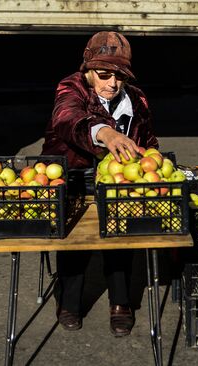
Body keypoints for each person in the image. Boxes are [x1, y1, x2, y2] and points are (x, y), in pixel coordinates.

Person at [40, 31, 159, 336]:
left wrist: (152, 160)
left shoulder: (136, 99)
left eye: (119, 76)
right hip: (74, 178)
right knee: (75, 241)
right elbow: (67, 118)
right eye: (104, 75)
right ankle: (68, 301)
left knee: (120, 239)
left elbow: (149, 142)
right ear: (88, 70)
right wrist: (106, 133)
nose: (112, 84)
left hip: (117, 184)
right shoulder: (71, 87)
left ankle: (120, 303)